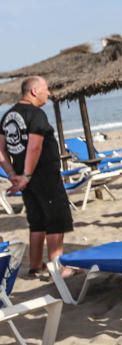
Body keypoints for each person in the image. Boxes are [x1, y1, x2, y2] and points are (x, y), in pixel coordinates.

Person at [0, 76, 75, 277]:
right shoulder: (36, 114)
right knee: (56, 220)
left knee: (37, 221)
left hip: (27, 179)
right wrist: (25, 175)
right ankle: (57, 268)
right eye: (46, 89)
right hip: (43, 176)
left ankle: (35, 266)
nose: (48, 93)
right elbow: (35, 146)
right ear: (34, 91)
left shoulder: (7, 116)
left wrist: (13, 174)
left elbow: (0, 150)